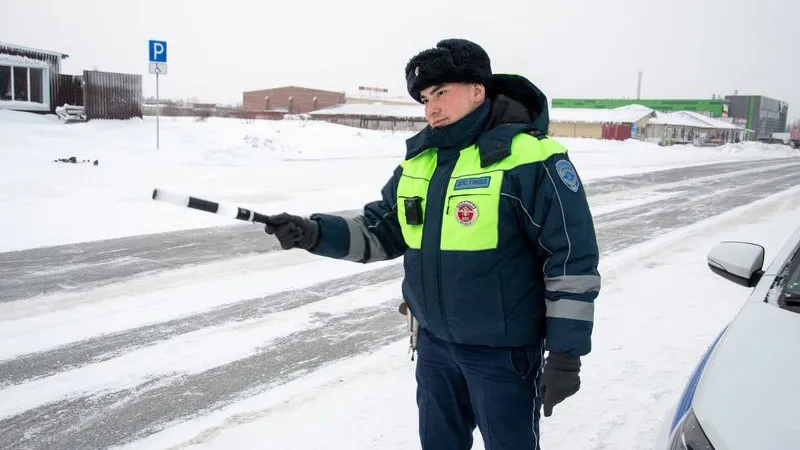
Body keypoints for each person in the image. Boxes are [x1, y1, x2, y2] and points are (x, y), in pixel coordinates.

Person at [263, 38, 600, 450]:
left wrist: (566, 353)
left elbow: (570, 259)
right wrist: (313, 232)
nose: (431, 109)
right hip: (436, 349)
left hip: (503, 354)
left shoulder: (531, 158)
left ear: (478, 89)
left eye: (441, 93)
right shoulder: (419, 163)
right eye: (425, 98)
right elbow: (381, 231)